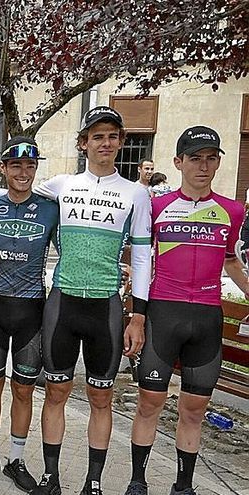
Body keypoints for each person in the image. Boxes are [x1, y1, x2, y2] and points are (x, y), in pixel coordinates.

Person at [32, 106, 152, 495]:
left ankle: (94, 481)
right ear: (84, 143)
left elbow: (140, 257)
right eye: (97, 136)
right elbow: (14, 188)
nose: (105, 143)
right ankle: (51, 477)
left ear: (120, 142)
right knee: (55, 393)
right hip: (63, 303)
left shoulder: (136, 193)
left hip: (106, 308)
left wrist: (138, 316)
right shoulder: (62, 185)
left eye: (112, 136)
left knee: (102, 398)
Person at [124, 126, 249, 495]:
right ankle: (136, 481)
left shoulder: (232, 210)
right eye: (195, 158)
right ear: (179, 162)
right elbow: (140, 257)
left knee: (193, 410)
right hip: (164, 313)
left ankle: (183, 486)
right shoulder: (157, 206)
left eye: (211, 158)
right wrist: (135, 308)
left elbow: (231, 263)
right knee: (150, 403)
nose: (204, 166)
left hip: (207, 319)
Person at [0, 137, 58, 492]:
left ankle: (16, 460)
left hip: (31, 311)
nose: (23, 173)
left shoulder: (51, 208)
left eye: (30, 166)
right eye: (16, 166)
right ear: (4, 169)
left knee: (23, 391)